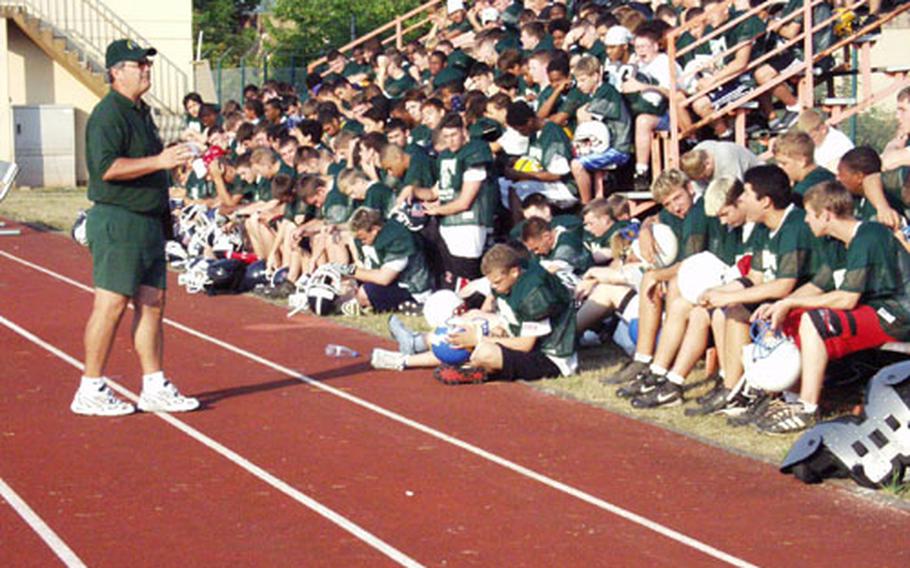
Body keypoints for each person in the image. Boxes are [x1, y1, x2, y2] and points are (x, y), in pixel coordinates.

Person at [71, 39, 199, 416]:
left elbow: (145, 161)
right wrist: (160, 160)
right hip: (119, 218)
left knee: (153, 302)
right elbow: (107, 168)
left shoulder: (141, 112)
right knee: (111, 304)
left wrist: (172, 157)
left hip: (147, 221)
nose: (146, 69)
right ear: (116, 72)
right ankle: (90, 387)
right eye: (138, 64)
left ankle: (154, 383)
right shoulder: (108, 114)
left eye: (147, 63)